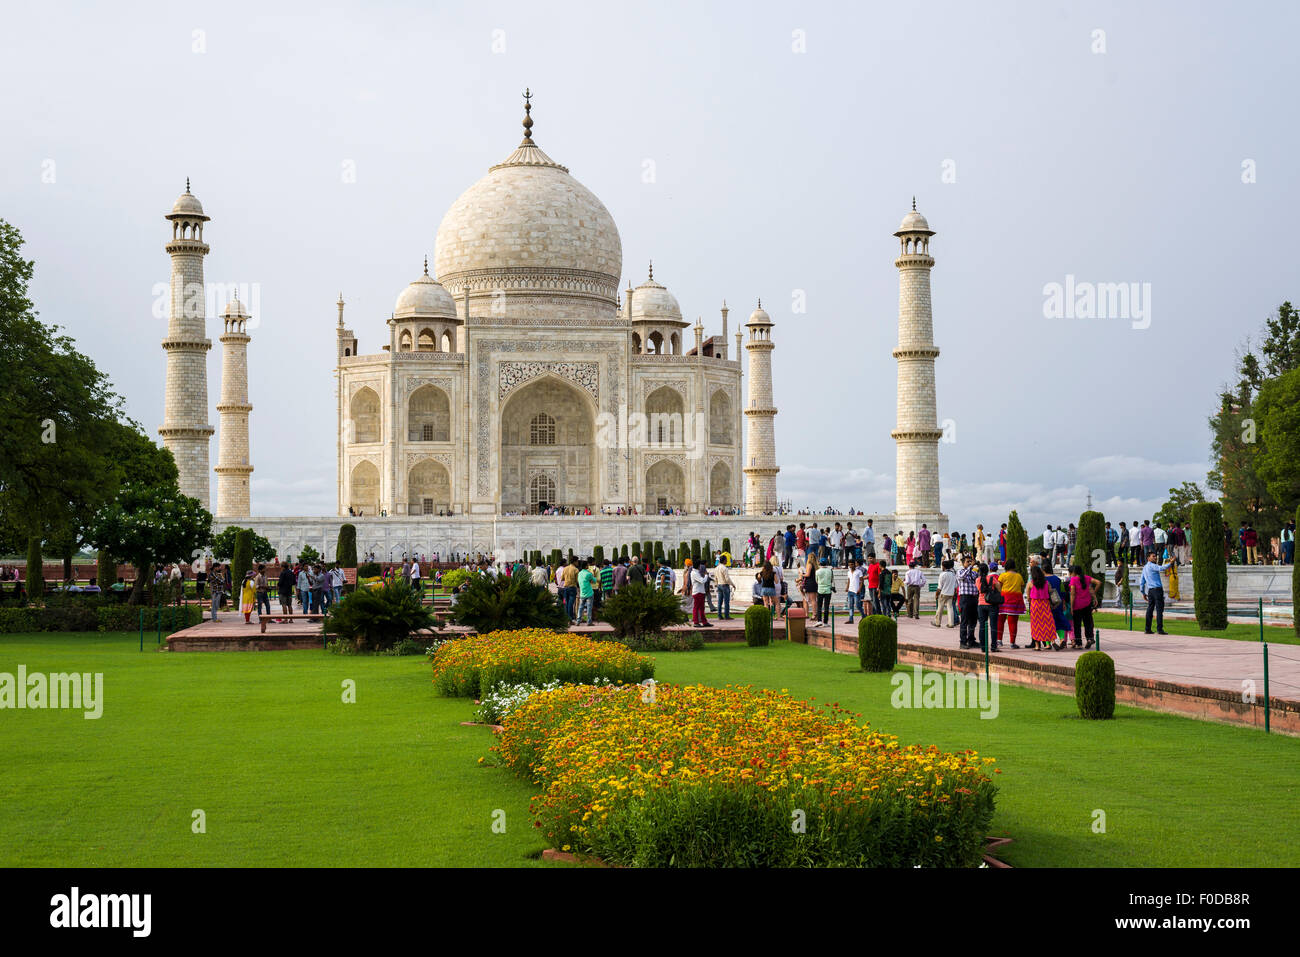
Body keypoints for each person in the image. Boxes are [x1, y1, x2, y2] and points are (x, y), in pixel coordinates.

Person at [1140, 550, 1174, 634]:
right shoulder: (1152, 566)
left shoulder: (1145, 568)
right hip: (1157, 590)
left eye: (1155, 556)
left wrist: (1143, 593)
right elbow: (1161, 568)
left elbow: (1142, 581)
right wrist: (1171, 563)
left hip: (1150, 591)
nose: (1155, 557)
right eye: (1153, 556)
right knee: (1159, 610)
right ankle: (1159, 629)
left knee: (1150, 609)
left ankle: (1147, 629)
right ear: (1148, 558)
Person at [1067, 564, 1099, 649]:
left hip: (1077, 605)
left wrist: (1071, 607)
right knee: (1088, 622)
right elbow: (1098, 582)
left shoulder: (1073, 580)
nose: (1070, 575)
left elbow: (1073, 594)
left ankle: (1079, 643)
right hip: (1087, 604)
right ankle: (1089, 639)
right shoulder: (1087, 577)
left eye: (1070, 573)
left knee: (1077, 624)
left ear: (1073, 572)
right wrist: (1094, 594)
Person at [996, 558, 1025, 648]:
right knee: (1013, 622)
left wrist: (1001, 593)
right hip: (1015, 601)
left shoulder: (1003, 576)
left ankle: (999, 640)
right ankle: (1012, 642)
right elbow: (1022, 586)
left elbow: (998, 585)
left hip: (1003, 600)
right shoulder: (1019, 576)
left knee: (1000, 621)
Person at [1026, 564, 1055, 651]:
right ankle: (1049, 643)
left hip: (1035, 605)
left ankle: (1037, 646)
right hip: (1045, 605)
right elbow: (1051, 593)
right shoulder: (1047, 583)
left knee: (1036, 626)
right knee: (1047, 624)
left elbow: (1028, 597)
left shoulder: (1030, 583)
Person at [957, 554, 980, 648]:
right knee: (964, 621)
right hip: (965, 598)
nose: (970, 563)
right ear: (963, 563)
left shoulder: (974, 573)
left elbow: (977, 580)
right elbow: (962, 577)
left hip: (974, 598)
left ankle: (971, 640)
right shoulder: (960, 571)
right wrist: (970, 567)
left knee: (973, 621)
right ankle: (963, 641)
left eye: (970, 561)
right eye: (967, 562)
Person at [933, 559, 957, 629]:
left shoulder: (942, 574)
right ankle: (951, 623)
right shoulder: (953, 574)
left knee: (940, 608)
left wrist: (936, 594)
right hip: (951, 593)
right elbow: (955, 586)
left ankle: (937, 622)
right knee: (950, 608)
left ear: (944, 567)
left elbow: (939, 587)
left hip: (943, 593)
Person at [689, 561, 712, 627]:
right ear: (698, 566)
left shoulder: (696, 572)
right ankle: (696, 622)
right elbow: (702, 581)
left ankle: (704, 621)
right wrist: (706, 575)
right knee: (696, 607)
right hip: (697, 592)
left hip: (701, 591)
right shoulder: (694, 573)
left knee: (702, 608)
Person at [576, 561, 597, 625]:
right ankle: (589, 621)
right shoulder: (588, 573)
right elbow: (594, 581)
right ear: (586, 566)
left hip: (582, 593)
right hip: (589, 593)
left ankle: (578, 621)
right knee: (589, 608)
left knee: (580, 608)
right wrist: (593, 573)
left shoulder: (579, 573)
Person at [814, 559, 834, 625]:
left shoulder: (817, 571)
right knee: (826, 606)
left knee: (819, 606)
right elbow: (831, 580)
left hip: (820, 589)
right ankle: (825, 622)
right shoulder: (830, 571)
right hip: (828, 589)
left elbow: (816, 581)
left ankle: (819, 620)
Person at [845, 558, 864, 625]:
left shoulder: (859, 571)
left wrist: (859, 589)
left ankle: (863, 616)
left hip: (856, 591)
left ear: (855, 565)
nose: (851, 566)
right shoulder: (849, 572)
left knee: (858, 605)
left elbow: (861, 581)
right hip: (850, 591)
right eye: (850, 565)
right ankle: (851, 619)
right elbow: (849, 580)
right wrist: (847, 587)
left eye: (852, 564)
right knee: (850, 606)